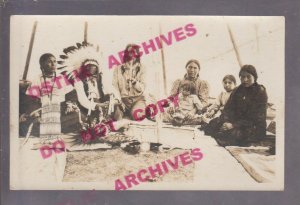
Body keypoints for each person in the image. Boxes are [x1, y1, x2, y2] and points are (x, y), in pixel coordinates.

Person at [204, 65, 268, 146]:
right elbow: (228, 109)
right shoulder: (237, 90)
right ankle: (224, 134)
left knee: (235, 134)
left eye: (248, 77)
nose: (245, 80)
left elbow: (256, 117)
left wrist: (233, 125)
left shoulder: (260, 91)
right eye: (242, 77)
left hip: (252, 125)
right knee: (212, 125)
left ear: (254, 77)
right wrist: (226, 121)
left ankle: (226, 136)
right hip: (235, 122)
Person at [112, 44, 147, 120]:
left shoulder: (142, 68)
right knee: (117, 118)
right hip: (122, 100)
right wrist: (119, 100)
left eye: (134, 53)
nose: (132, 55)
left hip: (137, 99)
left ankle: (133, 113)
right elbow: (115, 87)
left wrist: (135, 83)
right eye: (130, 53)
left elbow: (143, 88)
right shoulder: (118, 69)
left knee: (138, 116)